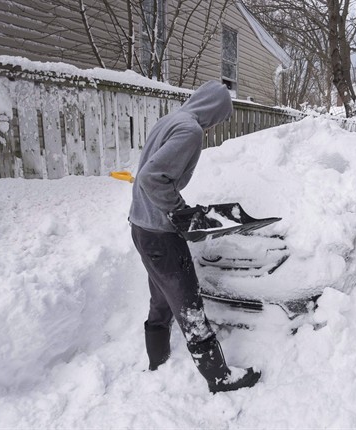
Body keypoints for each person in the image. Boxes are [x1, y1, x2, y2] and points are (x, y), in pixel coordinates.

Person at [128, 80, 261, 393]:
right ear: (214, 110)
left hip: (141, 226)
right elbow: (152, 177)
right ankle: (219, 378)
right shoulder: (190, 131)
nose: (218, 124)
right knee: (188, 304)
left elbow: (149, 172)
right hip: (160, 232)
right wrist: (180, 211)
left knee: (161, 299)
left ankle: (158, 362)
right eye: (221, 117)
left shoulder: (169, 120)